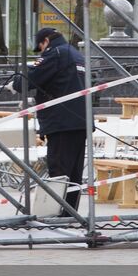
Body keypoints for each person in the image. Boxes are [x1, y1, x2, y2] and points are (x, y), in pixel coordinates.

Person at [11, 27, 87, 213]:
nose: (41, 52)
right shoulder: (76, 54)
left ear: (46, 41)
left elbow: (26, 80)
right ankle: (70, 213)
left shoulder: (55, 54)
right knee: (74, 173)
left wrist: (15, 81)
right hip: (80, 121)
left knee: (59, 170)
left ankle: (56, 212)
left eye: (41, 47)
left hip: (61, 122)